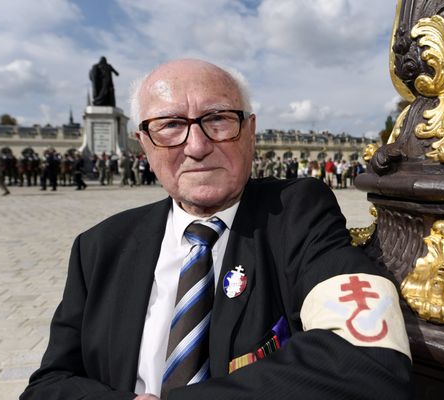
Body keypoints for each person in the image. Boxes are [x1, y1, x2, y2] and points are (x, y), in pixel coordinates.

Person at [21, 59, 411, 400]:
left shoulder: (298, 213)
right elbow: (48, 385)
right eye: (170, 125)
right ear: (143, 144)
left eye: (218, 119)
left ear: (250, 130)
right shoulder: (99, 247)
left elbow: (367, 359)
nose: (197, 145)